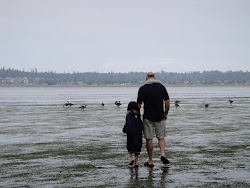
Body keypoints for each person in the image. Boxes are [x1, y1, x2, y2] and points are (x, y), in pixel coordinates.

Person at [137, 72, 170, 167]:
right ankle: (162, 154)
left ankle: (150, 160)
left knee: (149, 138)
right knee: (161, 137)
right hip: (160, 116)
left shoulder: (142, 88)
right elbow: (167, 102)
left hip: (148, 117)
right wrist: (166, 113)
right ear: (154, 77)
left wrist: (138, 116)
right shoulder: (161, 87)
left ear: (146, 78)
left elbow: (139, 104)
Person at [123, 101, 143, 168]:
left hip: (130, 133)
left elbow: (127, 123)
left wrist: (125, 129)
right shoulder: (138, 114)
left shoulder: (128, 114)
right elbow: (140, 123)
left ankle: (131, 158)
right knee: (137, 149)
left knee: (130, 147)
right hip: (138, 133)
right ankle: (136, 162)